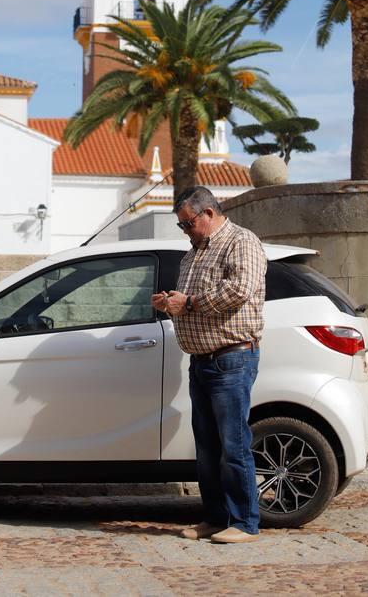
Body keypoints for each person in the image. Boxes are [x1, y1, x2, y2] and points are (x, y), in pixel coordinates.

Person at [152, 185, 266, 544]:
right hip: (201, 362)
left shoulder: (240, 241)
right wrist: (170, 302)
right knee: (206, 449)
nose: (185, 230)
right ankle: (216, 518)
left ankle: (245, 522)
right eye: (181, 226)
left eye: (188, 223)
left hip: (231, 359)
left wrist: (189, 304)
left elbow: (239, 289)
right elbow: (190, 300)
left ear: (209, 213)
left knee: (234, 445)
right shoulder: (193, 253)